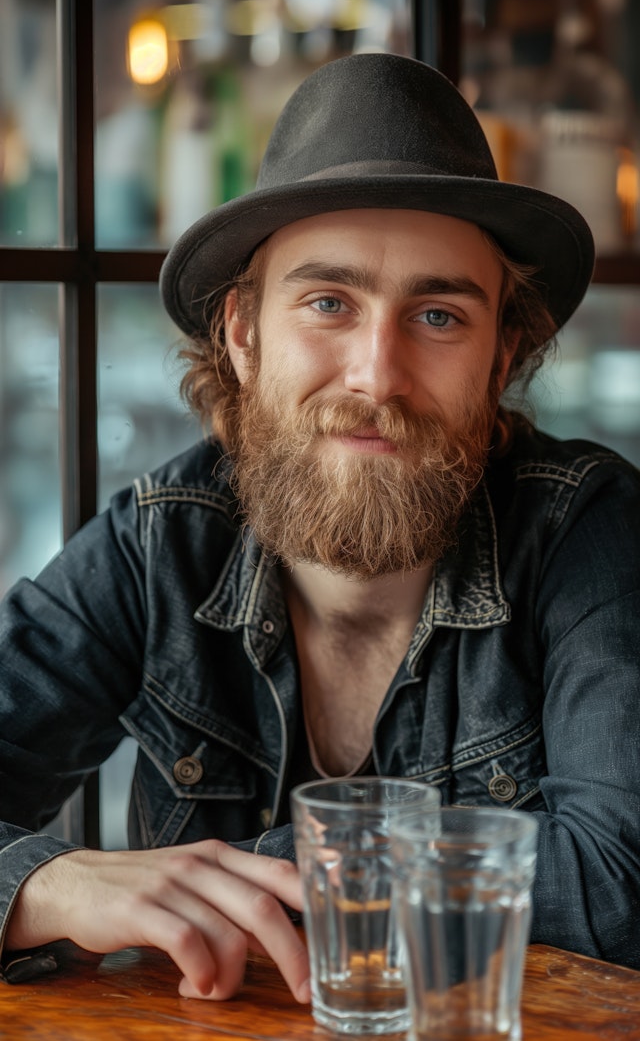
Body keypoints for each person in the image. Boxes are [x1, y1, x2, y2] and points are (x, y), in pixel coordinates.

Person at [1, 53, 639, 999]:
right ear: (243, 335)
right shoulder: (160, 546)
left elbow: (618, 883)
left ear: (503, 351)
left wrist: (237, 878)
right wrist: (46, 880)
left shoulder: (589, 532)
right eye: (329, 302)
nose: (377, 375)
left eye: (436, 315)